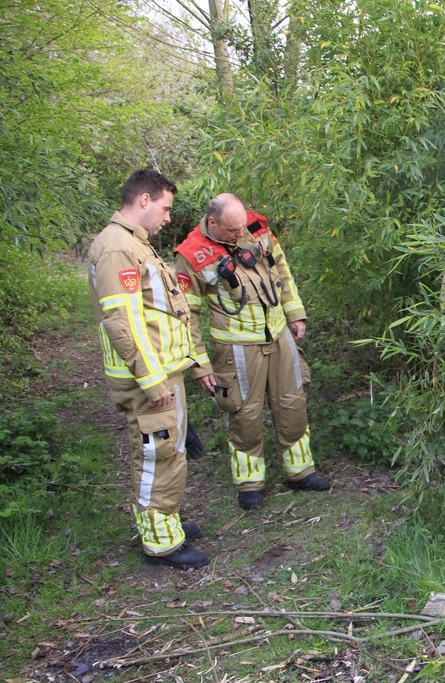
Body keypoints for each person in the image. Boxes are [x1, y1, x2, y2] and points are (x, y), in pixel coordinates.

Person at [86, 169, 210, 570]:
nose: (169, 218)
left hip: (161, 372)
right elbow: (123, 323)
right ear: (144, 200)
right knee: (157, 456)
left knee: (170, 452)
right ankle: (159, 544)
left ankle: (166, 523)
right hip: (147, 379)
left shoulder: (135, 245)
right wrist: (153, 378)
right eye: (166, 208)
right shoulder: (118, 248)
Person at [174, 194, 330, 509]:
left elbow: (282, 272)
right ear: (213, 222)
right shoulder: (192, 255)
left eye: (241, 226)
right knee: (245, 415)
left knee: (293, 403)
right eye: (232, 230)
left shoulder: (255, 228)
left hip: (278, 333)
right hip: (237, 346)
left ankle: (300, 472)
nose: (239, 234)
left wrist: (295, 313)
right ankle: (249, 484)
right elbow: (186, 315)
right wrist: (200, 365)